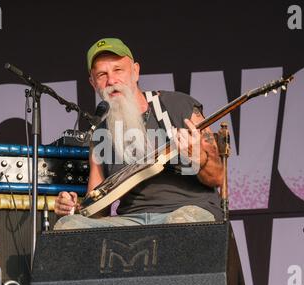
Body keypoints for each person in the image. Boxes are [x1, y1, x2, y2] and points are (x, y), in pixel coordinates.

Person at [54, 38, 224, 230]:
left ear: (135, 71)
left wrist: (199, 157)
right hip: (131, 220)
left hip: (187, 210)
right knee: (67, 226)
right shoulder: (100, 132)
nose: (111, 80)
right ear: (93, 83)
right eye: (102, 74)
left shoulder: (179, 105)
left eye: (118, 70)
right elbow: (99, 208)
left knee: (178, 225)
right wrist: (74, 207)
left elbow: (217, 177)